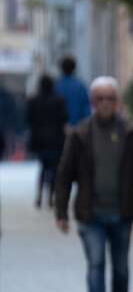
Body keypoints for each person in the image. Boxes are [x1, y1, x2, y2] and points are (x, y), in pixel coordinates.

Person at [54, 77, 133, 292]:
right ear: (92, 102)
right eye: (99, 98)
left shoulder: (130, 133)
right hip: (90, 212)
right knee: (96, 262)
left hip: (122, 211)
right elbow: (64, 175)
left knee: (121, 268)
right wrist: (61, 212)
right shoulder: (79, 134)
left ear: (118, 102)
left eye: (110, 98)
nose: (105, 103)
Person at [25, 75, 68, 209]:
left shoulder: (34, 100)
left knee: (43, 168)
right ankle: (50, 197)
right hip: (56, 140)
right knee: (54, 169)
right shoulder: (59, 100)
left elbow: (28, 118)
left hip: (39, 140)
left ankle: (39, 196)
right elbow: (65, 117)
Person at [56, 56, 91, 125]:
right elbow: (86, 110)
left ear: (61, 68)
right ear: (74, 68)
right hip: (78, 128)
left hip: (60, 129)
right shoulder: (80, 86)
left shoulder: (56, 86)